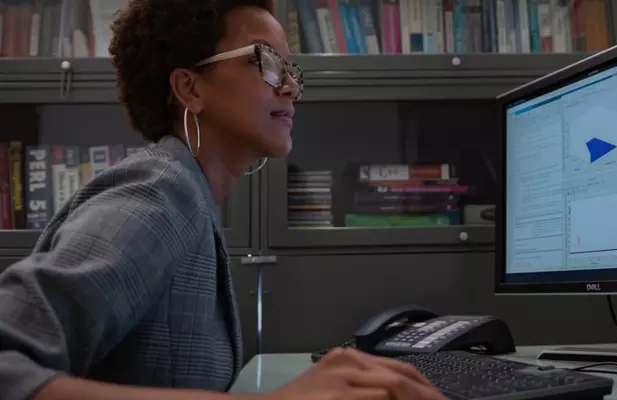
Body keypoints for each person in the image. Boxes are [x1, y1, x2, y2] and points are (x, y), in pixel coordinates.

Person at [0, 1, 446, 399]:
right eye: (267, 61)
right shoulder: (160, 194)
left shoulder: (191, 193)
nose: (289, 86)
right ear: (190, 88)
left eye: (292, 71)